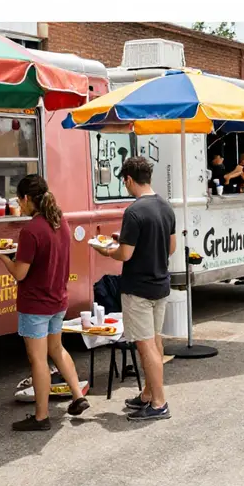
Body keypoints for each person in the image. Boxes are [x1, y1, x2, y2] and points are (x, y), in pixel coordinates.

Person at [0, 174, 89, 431]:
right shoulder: (62, 222)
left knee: (38, 360)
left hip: (35, 304)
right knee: (56, 349)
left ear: (27, 199)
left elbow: (19, 273)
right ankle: (78, 396)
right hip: (57, 299)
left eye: (19, 200)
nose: (19, 205)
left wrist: (2, 256)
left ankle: (41, 416)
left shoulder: (30, 231)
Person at [93, 156, 175, 421]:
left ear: (128, 179)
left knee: (145, 346)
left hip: (138, 288)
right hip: (161, 284)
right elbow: (170, 247)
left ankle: (159, 402)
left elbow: (125, 255)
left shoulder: (133, 211)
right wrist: (126, 240)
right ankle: (148, 395)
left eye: (124, 182)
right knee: (156, 341)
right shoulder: (165, 206)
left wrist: (106, 250)